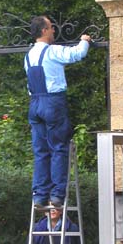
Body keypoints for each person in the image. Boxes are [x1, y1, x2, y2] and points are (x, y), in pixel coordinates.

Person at [24, 15, 91, 208]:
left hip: (35, 102)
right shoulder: (52, 51)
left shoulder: (28, 56)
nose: (54, 30)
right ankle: (57, 195)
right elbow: (76, 54)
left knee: (40, 151)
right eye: (51, 27)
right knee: (59, 148)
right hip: (52, 103)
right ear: (44, 31)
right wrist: (85, 41)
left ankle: (39, 194)